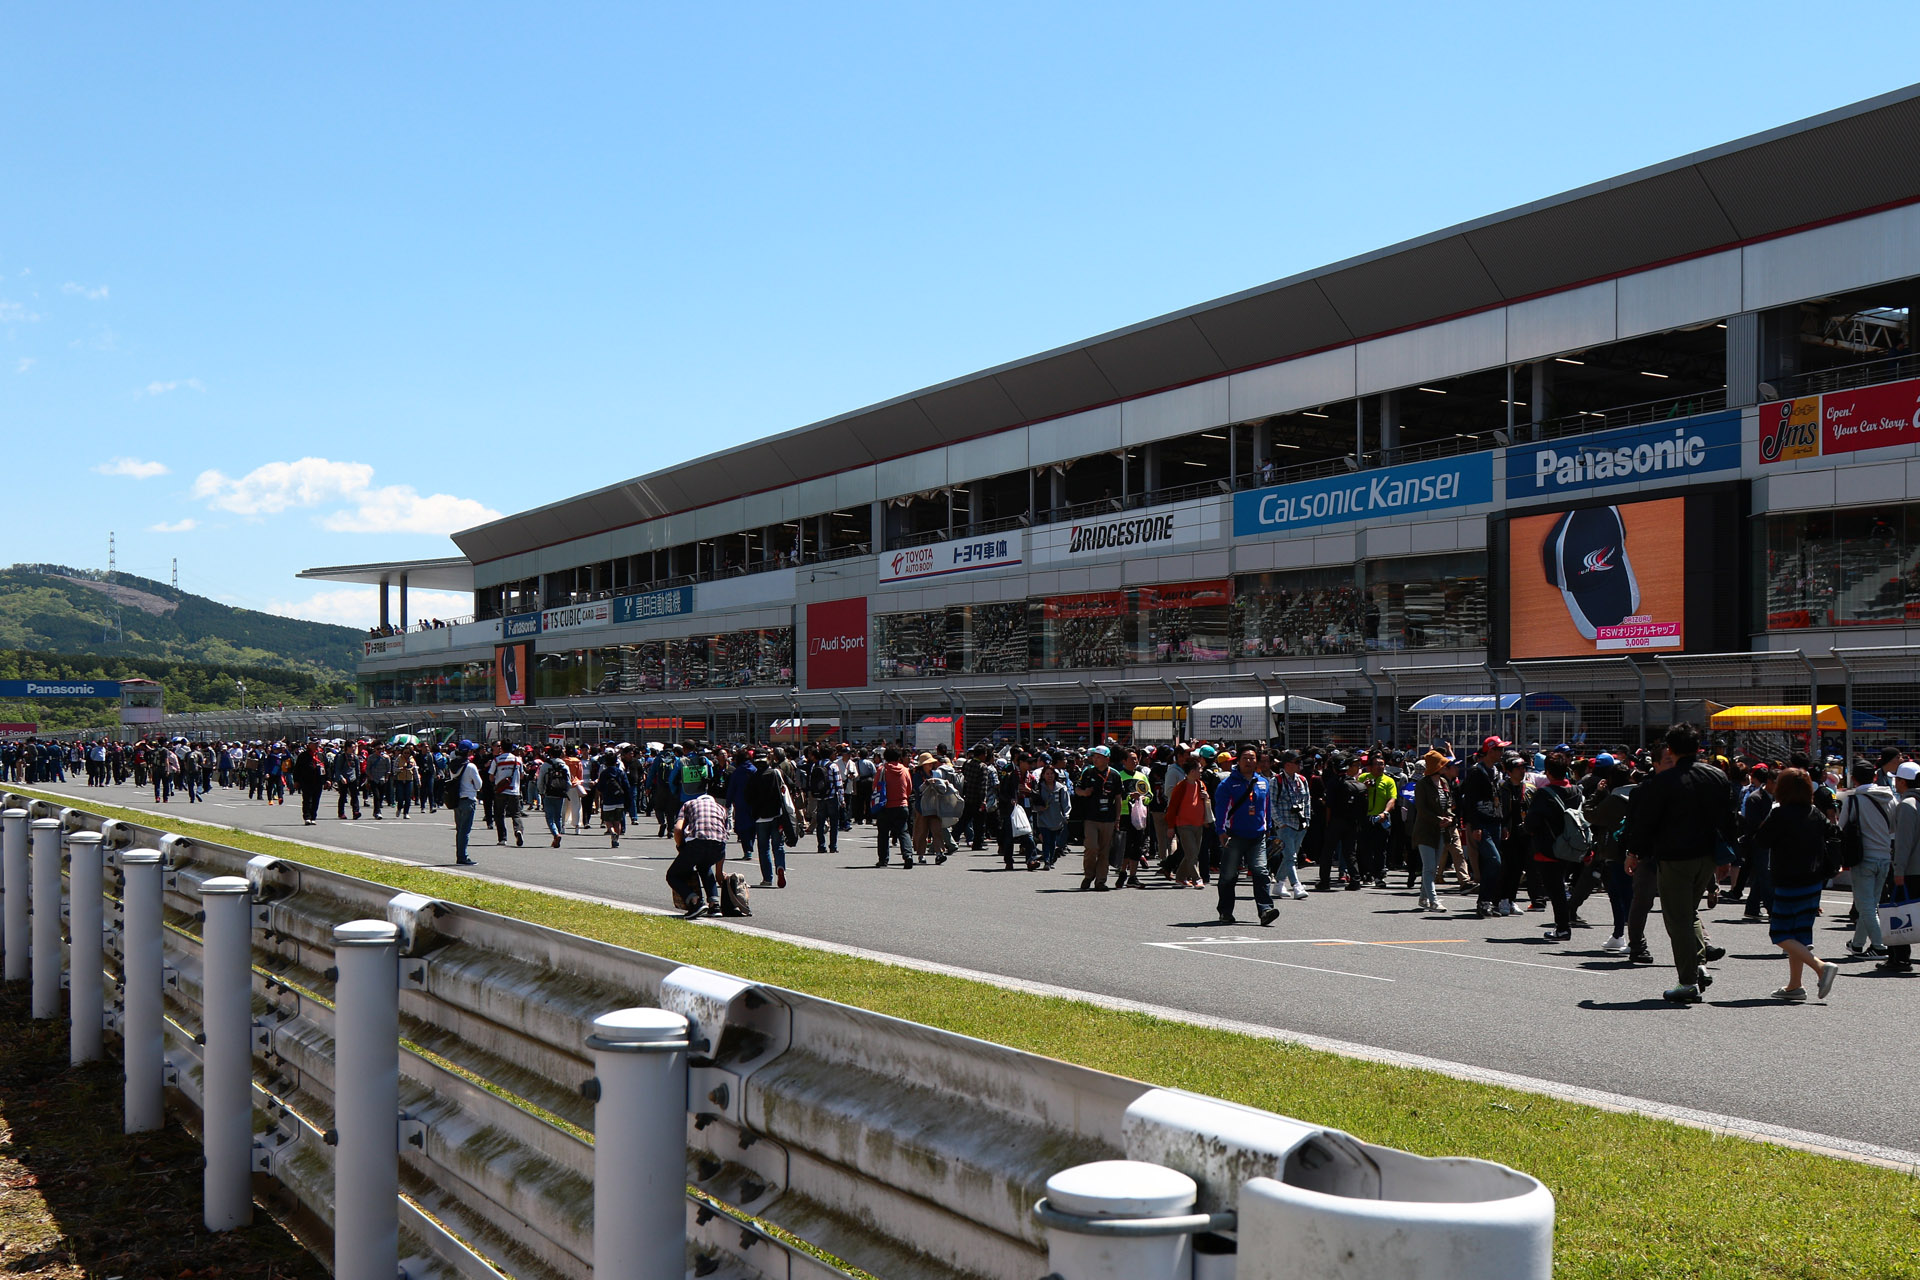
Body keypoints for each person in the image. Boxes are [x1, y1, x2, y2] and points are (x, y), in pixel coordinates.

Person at [1627, 724, 1733, 1004]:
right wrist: (1727, 857)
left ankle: (1688, 982)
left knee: (1678, 919)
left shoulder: (1664, 781)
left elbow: (1646, 823)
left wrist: (1634, 852)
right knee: (1689, 913)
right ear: (1698, 747)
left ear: (1671, 749)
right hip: (1707, 856)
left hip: (1675, 857)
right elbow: (1728, 819)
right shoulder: (1717, 776)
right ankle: (1698, 965)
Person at [1750, 767, 1841, 1002]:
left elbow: (1761, 840)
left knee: (1780, 933)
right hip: (1814, 879)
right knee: (1799, 934)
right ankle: (1794, 985)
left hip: (1788, 881)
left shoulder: (1779, 814)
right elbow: (1830, 833)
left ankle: (1821, 967)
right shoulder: (1815, 812)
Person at [1213, 745, 1278, 926]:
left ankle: (1265, 910)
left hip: (1258, 836)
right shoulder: (1227, 784)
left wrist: (1268, 828)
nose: (1249, 761)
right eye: (1245, 758)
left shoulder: (1263, 782)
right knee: (1228, 875)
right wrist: (1221, 831)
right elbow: (1220, 809)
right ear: (1238, 761)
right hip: (1233, 836)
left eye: (1252, 758)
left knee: (1261, 871)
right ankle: (1225, 912)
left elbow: (1266, 808)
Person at [1839, 762, 1896, 958]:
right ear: (1874, 777)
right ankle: (1857, 944)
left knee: (1866, 906)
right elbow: (1893, 827)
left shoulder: (1853, 800)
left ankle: (1880, 946)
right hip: (1885, 856)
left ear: (1853, 778)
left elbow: (1842, 826)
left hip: (1863, 857)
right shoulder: (1890, 797)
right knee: (1871, 904)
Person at [669, 788, 729, 918]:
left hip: (697, 843)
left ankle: (695, 901)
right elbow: (723, 838)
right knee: (705, 866)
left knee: (672, 875)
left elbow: (678, 829)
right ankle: (715, 904)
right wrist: (719, 872)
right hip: (718, 846)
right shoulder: (722, 809)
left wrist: (680, 846)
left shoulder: (688, 804)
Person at [1886, 761, 1920, 974]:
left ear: (1902, 781)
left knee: (1899, 913)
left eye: (1896, 779)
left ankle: (1899, 958)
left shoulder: (1907, 805)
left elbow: (1903, 843)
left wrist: (1898, 870)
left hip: (1911, 870)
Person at [1075, 745, 1124, 891]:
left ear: (1107, 759)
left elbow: (1118, 798)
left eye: (1098, 757)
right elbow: (1077, 789)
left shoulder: (1115, 775)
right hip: (1091, 817)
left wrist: (1117, 818)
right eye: (1094, 757)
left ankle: (1101, 881)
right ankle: (1089, 875)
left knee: (1104, 850)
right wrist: (1084, 792)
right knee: (1091, 847)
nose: (1095, 760)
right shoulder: (1087, 772)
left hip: (1108, 818)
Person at [1410, 749, 1451, 912]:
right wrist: (1438, 819)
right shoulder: (1422, 784)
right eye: (1442, 764)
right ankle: (1433, 901)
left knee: (1433, 868)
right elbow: (1422, 809)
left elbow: (1448, 804)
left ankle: (1423, 898)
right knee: (1429, 867)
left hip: (1440, 831)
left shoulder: (1444, 782)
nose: (1446, 766)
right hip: (1425, 831)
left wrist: (1450, 817)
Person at [1269, 749, 1311, 900]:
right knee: (1291, 857)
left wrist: (1307, 820)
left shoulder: (1302, 780)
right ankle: (1296, 885)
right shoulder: (1276, 781)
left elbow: (1307, 801)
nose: (1300, 765)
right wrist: (1280, 823)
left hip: (1300, 824)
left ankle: (1279, 884)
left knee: (1289, 857)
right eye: (1297, 762)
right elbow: (1271, 804)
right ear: (1287, 765)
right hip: (1285, 825)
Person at [449, 741, 482, 866]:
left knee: (460, 829)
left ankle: (460, 854)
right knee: (465, 830)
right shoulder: (470, 766)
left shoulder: (453, 765)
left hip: (456, 799)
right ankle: (463, 856)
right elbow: (479, 785)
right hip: (468, 798)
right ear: (468, 752)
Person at [536, 746, 572, 847]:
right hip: (560, 794)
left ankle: (556, 834)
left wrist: (541, 792)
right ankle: (558, 835)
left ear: (550, 754)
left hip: (548, 793)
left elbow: (540, 780)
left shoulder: (545, 765)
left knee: (549, 817)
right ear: (561, 754)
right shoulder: (564, 766)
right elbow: (568, 782)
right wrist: (565, 791)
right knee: (558, 816)